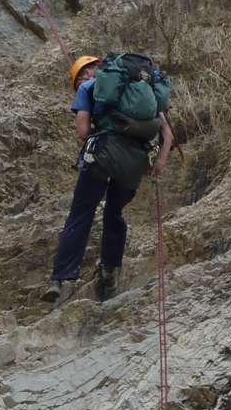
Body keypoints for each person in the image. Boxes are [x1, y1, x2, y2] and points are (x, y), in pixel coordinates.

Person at [44, 54, 173, 305]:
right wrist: (160, 162)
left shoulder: (86, 89)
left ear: (94, 70)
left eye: (82, 74)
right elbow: (166, 133)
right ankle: (110, 272)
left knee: (81, 213)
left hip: (102, 157)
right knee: (114, 213)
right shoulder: (141, 86)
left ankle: (60, 279)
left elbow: (82, 132)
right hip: (134, 164)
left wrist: (99, 130)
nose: (84, 78)